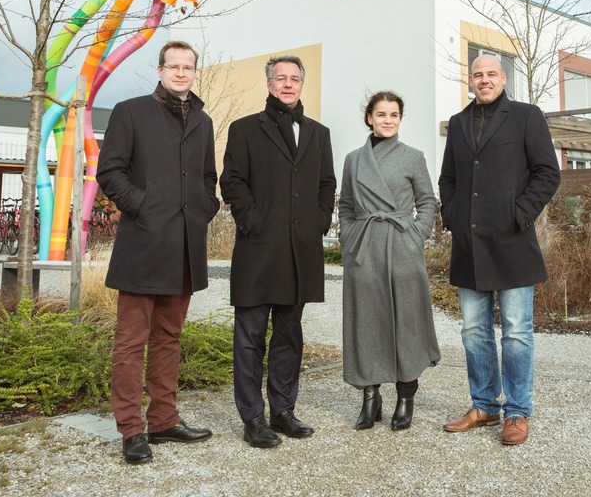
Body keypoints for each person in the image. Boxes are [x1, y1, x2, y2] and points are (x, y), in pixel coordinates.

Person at [96, 40, 220, 465]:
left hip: (185, 246)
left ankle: (164, 420)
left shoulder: (202, 121)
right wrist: (142, 205)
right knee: (131, 341)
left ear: (193, 71)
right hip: (143, 243)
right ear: (160, 68)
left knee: (169, 337)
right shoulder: (130, 111)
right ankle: (131, 430)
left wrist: (205, 209)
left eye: (188, 67)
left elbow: (208, 177)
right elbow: (109, 171)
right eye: (174, 66)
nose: (181, 73)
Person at [438, 54, 560, 446]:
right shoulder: (458, 123)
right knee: (474, 331)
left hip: (512, 243)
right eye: (478, 74)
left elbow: (547, 173)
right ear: (470, 80)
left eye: (491, 74)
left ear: (503, 78)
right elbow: (449, 178)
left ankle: (518, 411)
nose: (484, 80)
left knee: (517, 334)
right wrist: (453, 216)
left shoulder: (526, 115)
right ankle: (485, 405)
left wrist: (518, 213)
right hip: (469, 244)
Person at [220, 55, 336, 448]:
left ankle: (282, 410)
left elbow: (326, 184)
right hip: (258, 248)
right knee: (250, 336)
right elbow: (232, 180)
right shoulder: (245, 129)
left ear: (302, 84)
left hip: (300, 251)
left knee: (289, 334)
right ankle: (252, 416)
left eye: (294, 79)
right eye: (280, 78)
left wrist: (320, 221)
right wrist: (253, 221)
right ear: (269, 84)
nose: (288, 84)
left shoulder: (319, 134)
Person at [339, 91, 441, 431]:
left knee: (406, 321)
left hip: (402, 248)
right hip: (364, 248)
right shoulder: (354, 160)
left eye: (394, 114)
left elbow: (428, 201)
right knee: (366, 322)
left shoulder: (413, 157)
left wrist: (415, 234)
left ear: (400, 119)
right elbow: (347, 206)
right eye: (381, 114)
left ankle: (406, 395)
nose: (387, 120)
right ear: (369, 117)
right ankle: (370, 397)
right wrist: (349, 238)